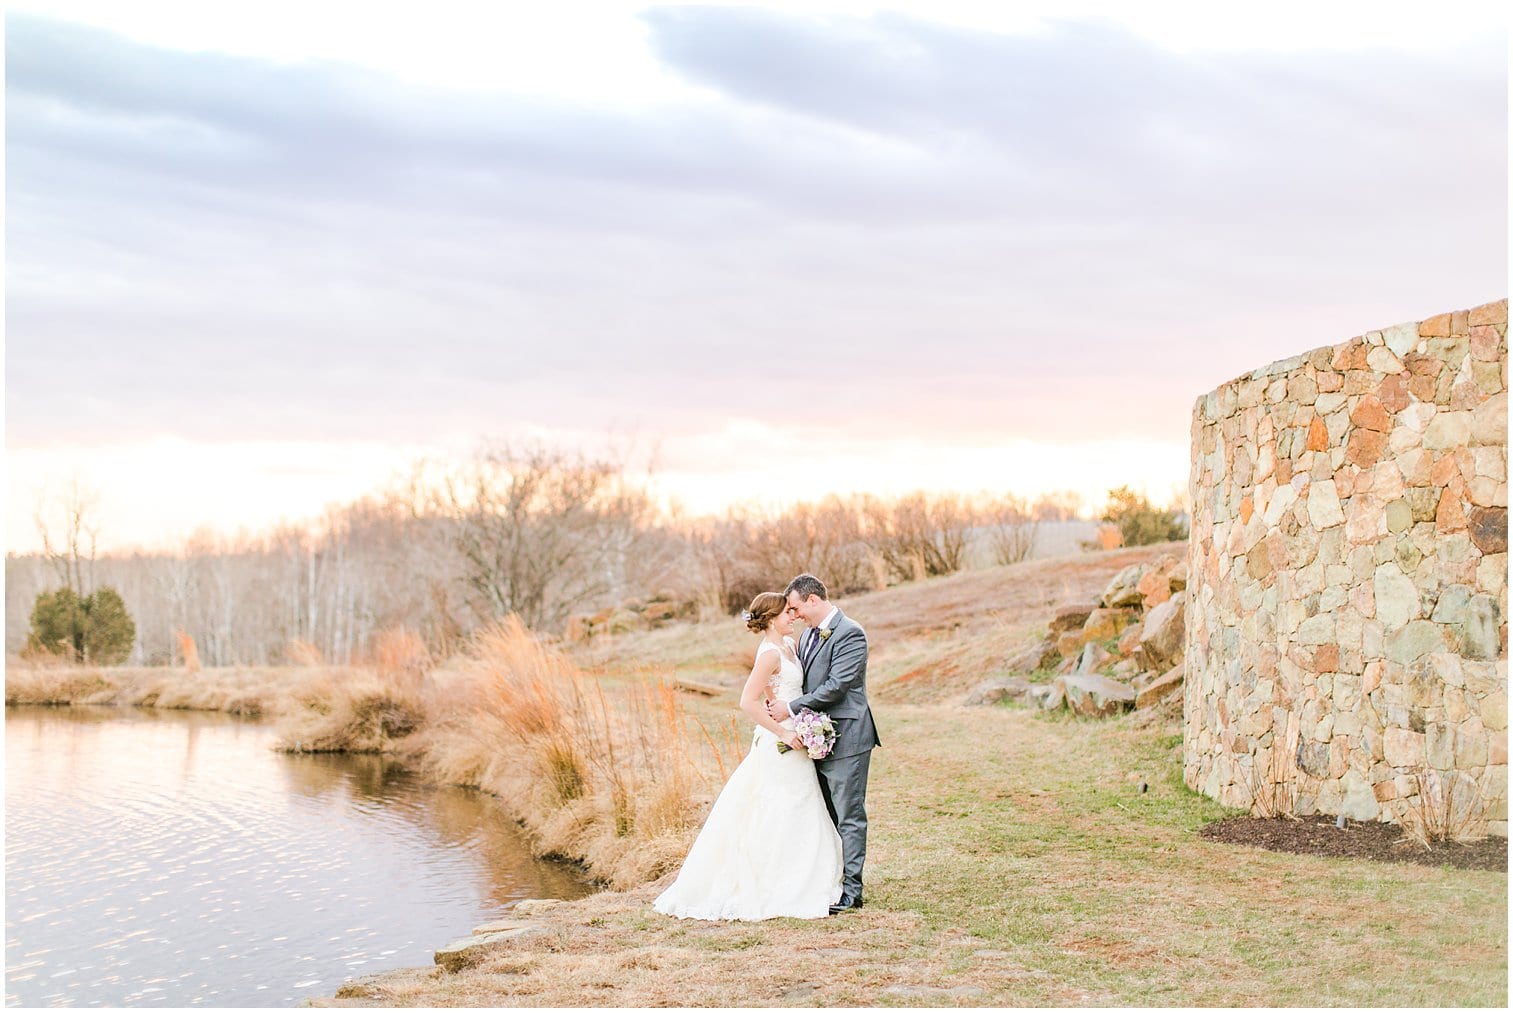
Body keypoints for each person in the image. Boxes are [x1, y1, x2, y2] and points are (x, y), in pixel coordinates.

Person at [652, 592, 843, 921]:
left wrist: (803, 724)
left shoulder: (790, 647)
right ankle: (777, 884)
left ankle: (806, 878)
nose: (793, 617)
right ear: (771, 619)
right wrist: (783, 732)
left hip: (797, 734)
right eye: (787, 613)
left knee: (802, 805)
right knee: (782, 807)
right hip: (781, 743)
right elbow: (747, 701)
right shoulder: (769, 654)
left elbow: (783, 693)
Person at [768, 573, 879, 913]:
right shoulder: (806, 638)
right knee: (824, 813)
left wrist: (791, 708)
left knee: (848, 815)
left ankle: (852, 892)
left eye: (796, 607)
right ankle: (829, 881)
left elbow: (836, 686)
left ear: (813, 600)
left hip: (847, 735)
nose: (795, 614)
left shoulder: (850, 634)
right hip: (815, 737)